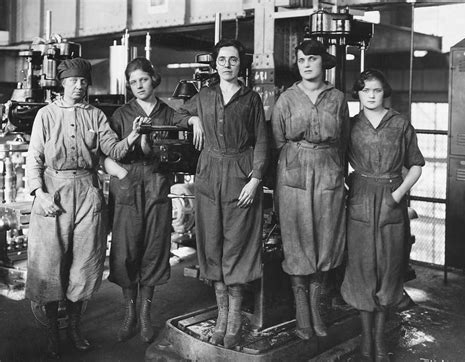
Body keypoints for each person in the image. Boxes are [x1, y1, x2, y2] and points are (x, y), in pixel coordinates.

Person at [25, 58, 146, 358]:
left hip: (88, 193)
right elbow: (34, 159)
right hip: (53, 193)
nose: (79, 86)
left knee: (84, 265)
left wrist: (132, 135)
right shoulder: (46, 115)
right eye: (73, 81)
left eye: (83, 81)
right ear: (63, 83)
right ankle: (53, 332)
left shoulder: (95, 115)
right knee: (50, 265)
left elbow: (113, 150)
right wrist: (38, 194)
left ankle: (75, 329)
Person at [174, 39, 269, 349]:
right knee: (212, 242)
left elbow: (263, 142)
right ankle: (221, 316)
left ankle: (235, 319)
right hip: (209, 173)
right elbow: (174, 116)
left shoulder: (251, 98)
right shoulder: (203, 96)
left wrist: (255, 180)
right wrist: (194, 118)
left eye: (233, 59)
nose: (228, 64)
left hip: (240, 173)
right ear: (215, 64)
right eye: (223, 59)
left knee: (237, 244)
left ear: (241, 64)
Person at [102, 57, 202, 343]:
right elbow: (106, 154)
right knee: (125, 251)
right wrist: (120, 173)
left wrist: (193, 118)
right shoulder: (121, 115)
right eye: (133, 82)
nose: (138, 86)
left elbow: (185, 122)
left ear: (153, 79)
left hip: (157, 185)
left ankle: (145, 316)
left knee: (154, 251)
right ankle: (129, 313)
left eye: (143, 79)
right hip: (127, 188)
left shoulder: (167, 112)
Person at [341, 69, 425, 361]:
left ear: (384, 92)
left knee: (388, 271)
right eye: (366, 91)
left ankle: (379, 342)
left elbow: (415, 165)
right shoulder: (351, 126)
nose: (372, 95)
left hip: (391, 197)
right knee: (362, 271)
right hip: (361, 197)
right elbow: (335, 163)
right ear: (359, 94)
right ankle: (366, 342)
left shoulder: (400, 124)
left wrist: (397, 195)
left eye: (377, 90)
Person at [271, 39, 349, 340]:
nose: (306, 64)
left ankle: (317, 310)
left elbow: (343, 140)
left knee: (326, 240)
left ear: (323, 62)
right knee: (297, 240)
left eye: (312, 58)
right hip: (294, 174)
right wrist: (296, 161)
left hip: (328, 171)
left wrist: (333, 168)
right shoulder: (286, 98)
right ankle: (302, 313)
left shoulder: (337, 99)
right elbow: (278, 140)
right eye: (301, 59)